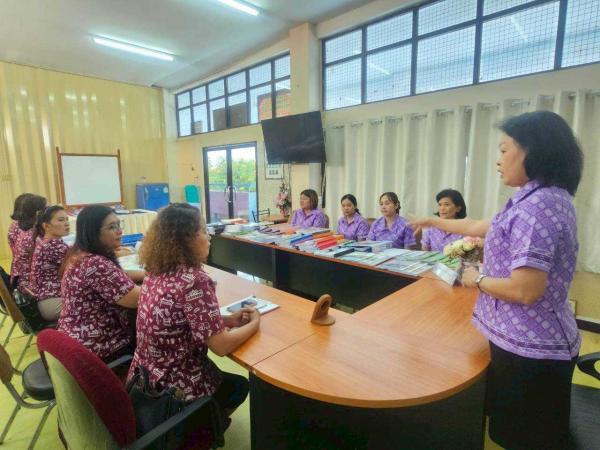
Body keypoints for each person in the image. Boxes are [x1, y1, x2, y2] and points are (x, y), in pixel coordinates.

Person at [409, 111, 583, 450]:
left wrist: (478, 278)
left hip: (531, 350)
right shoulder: (536, 197)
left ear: (534, 151)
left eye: (504, 150)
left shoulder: (537, 208)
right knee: (520, 434)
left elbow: (525, 290)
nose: (498, 160)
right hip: (525, 341)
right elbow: (476, 226)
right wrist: (432, 221)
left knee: (527, 438)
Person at [129, 203, 260, 422]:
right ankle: (203, 428)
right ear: (186, 239)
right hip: (175, 390)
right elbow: (221, 346)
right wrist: (255, 322)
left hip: (145, 378)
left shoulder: (155, 270)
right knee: (239, 386)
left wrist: (228, 320)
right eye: (203, 231)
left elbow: (181, 319)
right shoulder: (194, 281)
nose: (209, 237)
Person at [59, 205, 141, 362]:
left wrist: (147, 274)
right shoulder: (95, 263)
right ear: (93, 232)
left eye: (119, 225)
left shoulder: (81, 254)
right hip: (97, 346)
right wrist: (165, 284)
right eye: (111, 227)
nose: (119, 231)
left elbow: (118, 276)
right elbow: (136, 299)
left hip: (76, 339)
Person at [29, 206, 70, 321]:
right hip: (52, 302)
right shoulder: (54, 246)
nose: (66, 223)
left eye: (67, 219)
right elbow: (83, 267)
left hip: (45, 299)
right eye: (61, 220)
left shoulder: (45, 241)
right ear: (46, 226)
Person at [11, 195, 47, 291]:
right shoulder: (33, 236)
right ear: (38, 213)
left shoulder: (28, 230)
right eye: (45, 209)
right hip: (29, 285)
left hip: (21, 278)